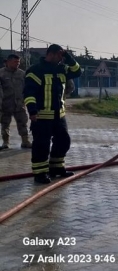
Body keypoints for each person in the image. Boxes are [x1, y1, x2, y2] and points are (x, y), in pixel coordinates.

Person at [23, 44, 82, 184]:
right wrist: (32, 110)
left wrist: (68, 56)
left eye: (62, 56)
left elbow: (78, 71)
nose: (61, 59)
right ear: (52, 54)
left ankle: (56, 168)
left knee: (63, 142)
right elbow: (29, 93)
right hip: (42, 116)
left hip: (59, 116)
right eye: (60, 56)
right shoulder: (36, 70)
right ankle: (40, 173)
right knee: (41, 146)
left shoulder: (62, 69)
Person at [0, 54, 31, 150]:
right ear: (8, 62)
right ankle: (5, 142)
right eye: (15, 62)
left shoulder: (22, 74)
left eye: (18, 62)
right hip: (6, 104)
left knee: (23, 122)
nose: (17, 64)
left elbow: (27, 88)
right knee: (5, 123)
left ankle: (25, 141)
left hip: (19, 104)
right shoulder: (1, 73)